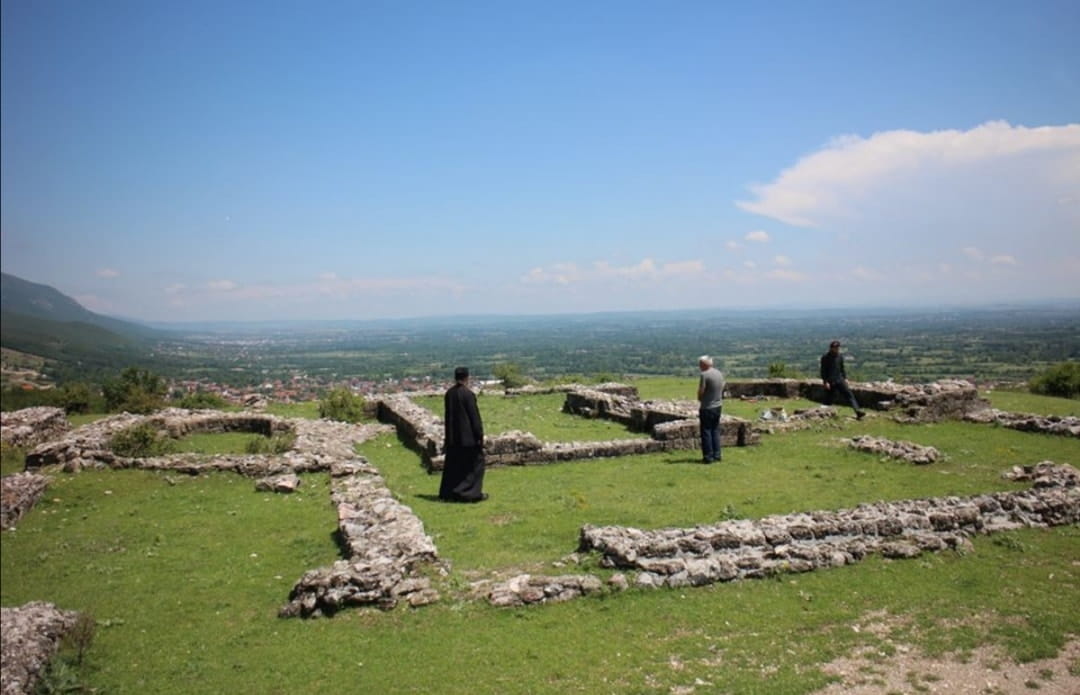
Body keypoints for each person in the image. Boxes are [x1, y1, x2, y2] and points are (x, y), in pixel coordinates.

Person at [439, 366, 488, 502]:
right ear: (467, 377)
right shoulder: (468, 394)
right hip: (468, 439)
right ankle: (470, 493)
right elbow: (474, 418)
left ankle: (450, 493)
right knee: (475, 465)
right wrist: (480, 435)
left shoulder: (449, 394)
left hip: (453, 438)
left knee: (454, 467)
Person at [820, 340, 865, 420]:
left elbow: (842, 369)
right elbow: (823, 371)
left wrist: (845, 378)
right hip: (831, 381)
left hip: (840, 380)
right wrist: (825, 382)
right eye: (835, 348)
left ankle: (858, 411)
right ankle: (821, 414)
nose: (837, 349)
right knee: (828, 399)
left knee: (849, 395)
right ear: (831, 348)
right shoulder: (825, 357)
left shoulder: (840, 356)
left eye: (838, 347)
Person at [697, 355, 725, 463]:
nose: (699, 366)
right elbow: (722, 386)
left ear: (704, 364)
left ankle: (708, 456)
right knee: (715, 430)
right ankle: (717, 454)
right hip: (718, 405)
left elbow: (701, 391)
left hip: (707, 407)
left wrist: (700, 398)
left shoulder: (704, 375)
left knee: (706, 431)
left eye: (700, 364)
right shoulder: (718, 373)